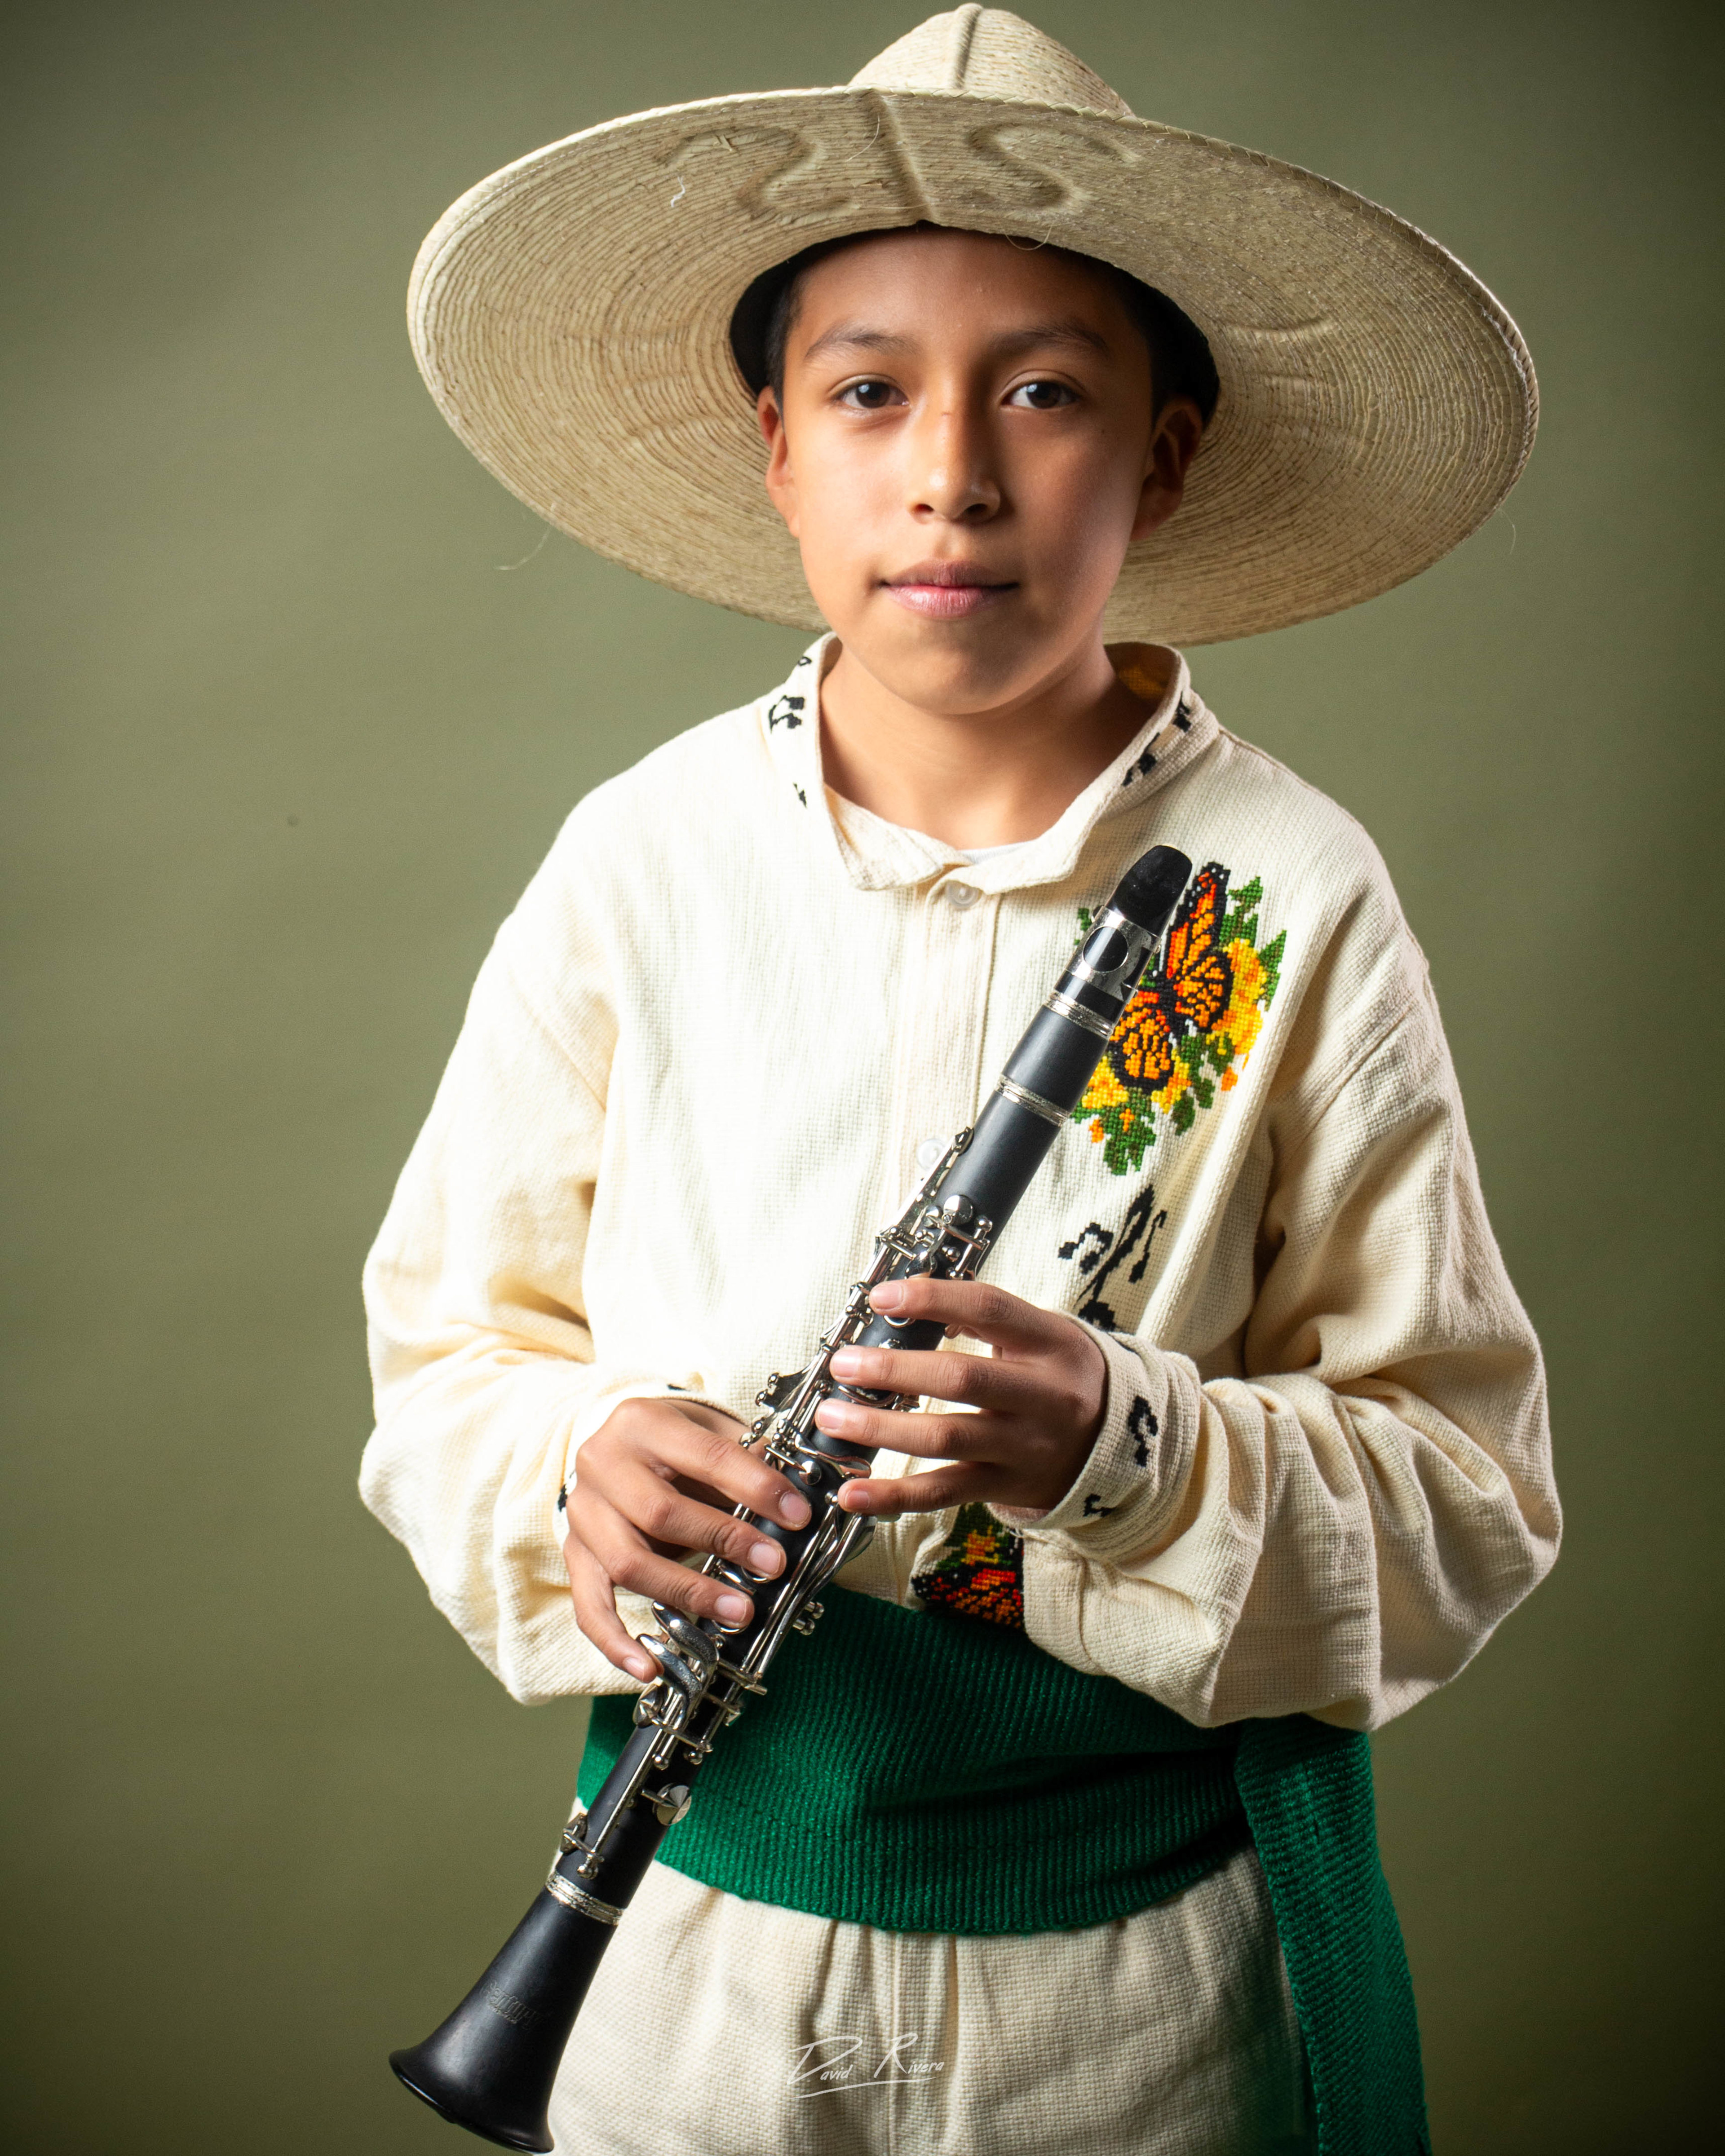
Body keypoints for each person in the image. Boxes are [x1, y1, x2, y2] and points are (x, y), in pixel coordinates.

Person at [361, 10, 1558, 2152]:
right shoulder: (642, 857)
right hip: (693, 1953)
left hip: (1151, 1989)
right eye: (870, 393)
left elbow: (1470, 1499)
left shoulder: (1287, 893)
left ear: (1162, 456)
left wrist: (1119, 1439)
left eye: (1043, 391)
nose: (954, 474)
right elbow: (447, 1356)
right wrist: (577, 1466)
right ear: (777, 447)